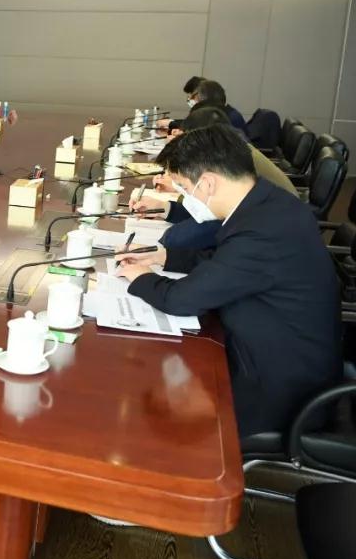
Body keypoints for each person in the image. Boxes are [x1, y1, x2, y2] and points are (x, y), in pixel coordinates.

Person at [116, 124, 341, 437]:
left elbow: (180, 299)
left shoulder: (261, 232)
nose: (184, 197)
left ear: (208, 182)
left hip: (279, 389)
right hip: (277, 355)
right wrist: (163, 257)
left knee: (153, 411)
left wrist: (140, 277)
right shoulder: (266, 203)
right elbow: (225, 263)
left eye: (184, 188)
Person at [131, 107, 297, 250]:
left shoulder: (231, 167)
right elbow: (206, 212)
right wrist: (165, 208)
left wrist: (180, 187)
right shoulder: (232, 152)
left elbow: (206, 228)